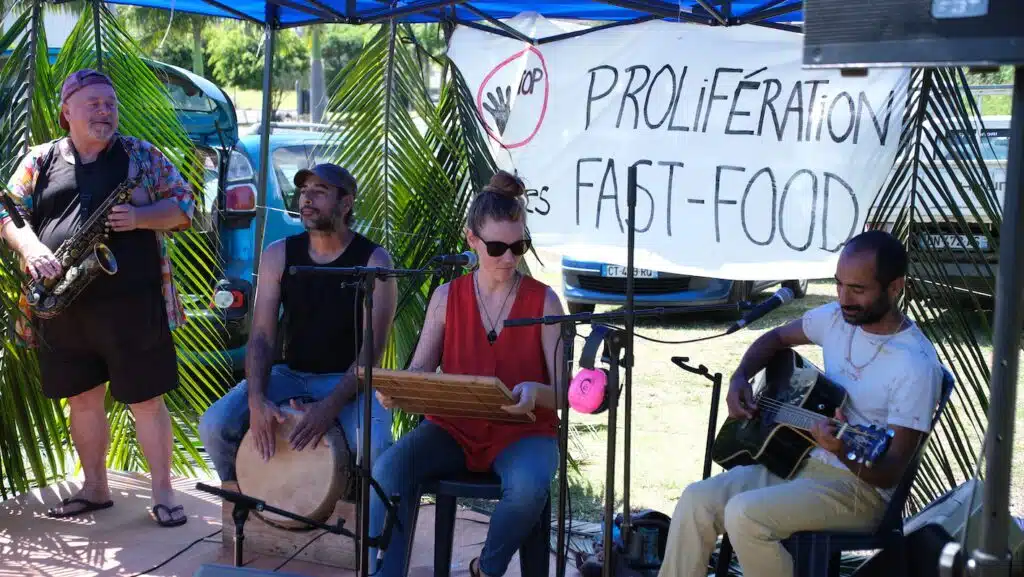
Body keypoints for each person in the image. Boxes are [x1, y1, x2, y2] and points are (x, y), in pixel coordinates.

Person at [657, 230, 944, 577]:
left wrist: (839, 450)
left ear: (895, 287)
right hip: (798, 462)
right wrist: (740, 377)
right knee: (697, 500)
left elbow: (890, 472)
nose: (844, 298)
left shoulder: (915, 365)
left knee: (745, 515)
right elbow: (774, 339)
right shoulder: (837, 319)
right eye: (839, 284)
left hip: (860, 492)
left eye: (858, 289)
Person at [0, 69, 196, 526]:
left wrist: (143, 217)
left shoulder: (141, 155)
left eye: (110, 104)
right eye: (94, 104)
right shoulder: (40, 159)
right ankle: (94, 489)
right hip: (65, 304)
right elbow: (7, 210)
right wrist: (32, 248)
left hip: (133, 305)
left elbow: (184, 206)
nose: (106, 112)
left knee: (146, 400)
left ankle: (164, 494)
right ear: (67, 111)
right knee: (82, 400)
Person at [369, 171, 564, 577]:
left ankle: (485, 569)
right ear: (471, 239)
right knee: (388, 471)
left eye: (518, 246)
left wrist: (534, 392)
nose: (509, 258)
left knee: (529, 487)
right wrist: (399, 391)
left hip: (525, 431)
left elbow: (562, 392)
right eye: (497, 247)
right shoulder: (446, 297)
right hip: (452, 429)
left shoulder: (544, 299)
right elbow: (421, 368)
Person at [198, 163, 397, 489]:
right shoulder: (279, 254)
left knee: (374, 448)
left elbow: (372, 351)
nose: (307, 199)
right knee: (215, 425)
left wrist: (328, 408)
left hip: (351, 383)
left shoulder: (375, 261)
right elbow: (261, 336)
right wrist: (256, 399)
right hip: (288, 376)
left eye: (320, 192)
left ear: (346, 203)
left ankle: (353, 522)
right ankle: (246, 505)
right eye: (304, 191)